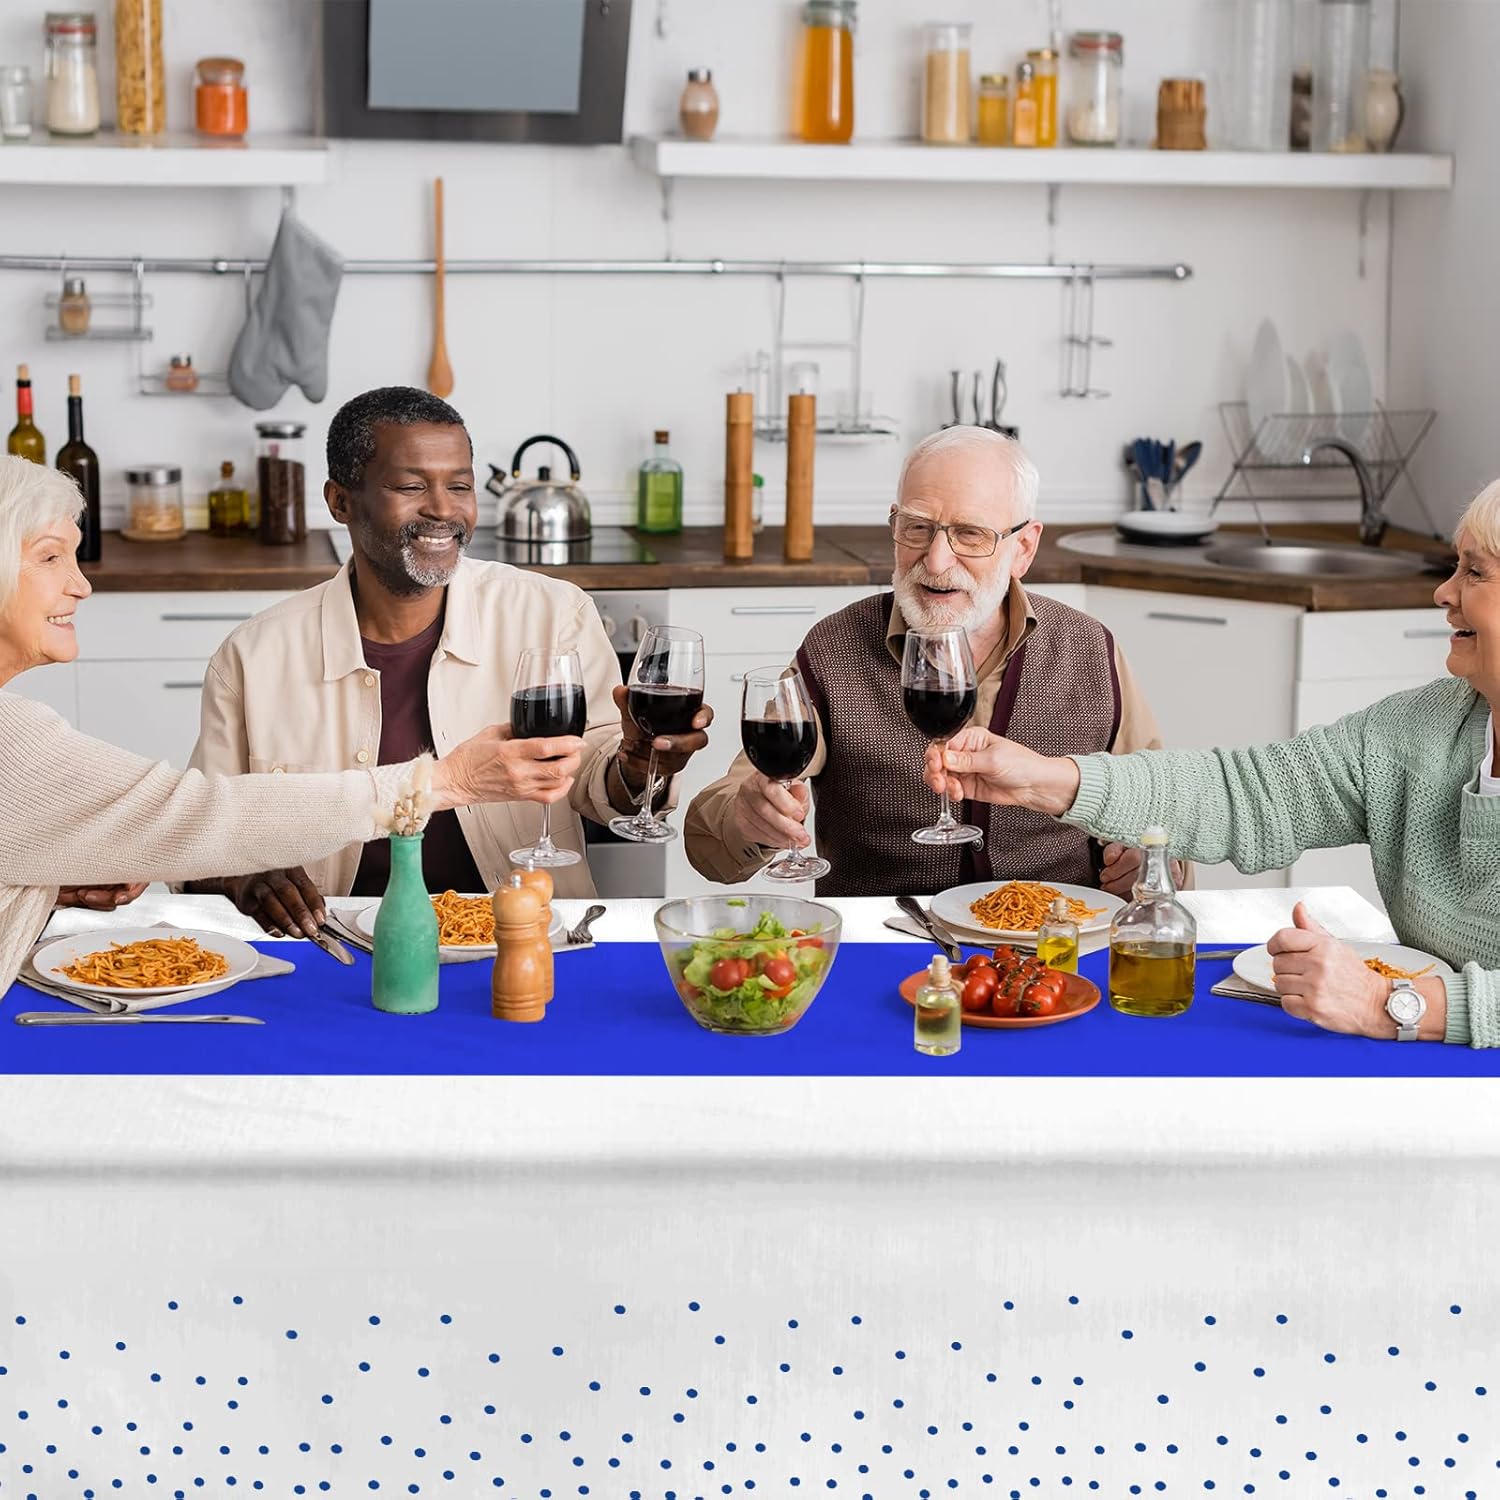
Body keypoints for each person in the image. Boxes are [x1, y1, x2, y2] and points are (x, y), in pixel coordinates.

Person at [921, 480, 1500, 1048]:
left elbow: (1397, 1006)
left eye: (1474, 572)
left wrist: (1391, 1005)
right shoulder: (1427, 726)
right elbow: (1246, 792)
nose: (1443, 593)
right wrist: (1051, 779)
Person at [186, 387, 711, 935]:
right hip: (331, 951)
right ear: (340, 501)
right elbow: (193, 836)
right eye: (411, 486)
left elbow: (600, 787)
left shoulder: (553, 613)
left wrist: (638, 763)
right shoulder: (252, 657)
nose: (443, 509)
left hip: (523, 939)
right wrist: (237, 876)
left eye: (459, 486)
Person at [0, 456, 530, 998]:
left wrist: (39, 881)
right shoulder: (11, 740)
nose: (82, 585)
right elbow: (197, 814)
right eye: (49, 558)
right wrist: (443, 783)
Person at [684, 426, 1178, 897]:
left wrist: (1153, 859)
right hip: (882, 946)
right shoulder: (833, 648)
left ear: (1023, 548)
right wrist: (746, 817)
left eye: (969, 534)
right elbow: (714, 839)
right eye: (917, 528)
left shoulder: (1090, 649)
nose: (937, 560)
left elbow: (1164, 813)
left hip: (1052, 945)